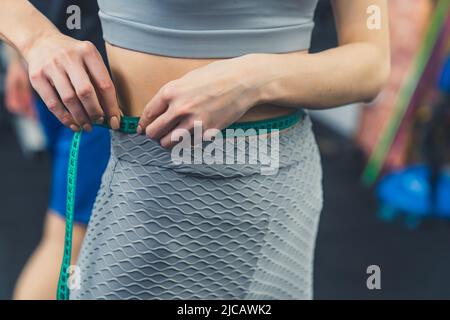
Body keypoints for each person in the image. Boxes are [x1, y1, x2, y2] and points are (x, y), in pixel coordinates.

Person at [0, 0, 390, 299]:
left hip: (277, 196)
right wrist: (36, 37)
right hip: (146, 189)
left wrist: (254, 79)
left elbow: (371, 63)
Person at [3, 1, 110, 299]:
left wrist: (21, 50)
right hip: (96, 92)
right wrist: (27, 44)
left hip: (57, 74)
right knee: (70, 240)